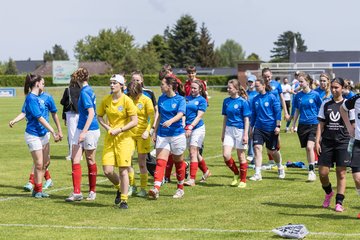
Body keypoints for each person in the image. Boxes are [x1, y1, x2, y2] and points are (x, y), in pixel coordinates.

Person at [9, 74, 60, 198]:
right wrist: (53, 131)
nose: (44, 84)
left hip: (43, 134)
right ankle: (38, 190)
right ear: (37, 83)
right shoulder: (31, 98)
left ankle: (38, 190)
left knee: (44, 163)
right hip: (33, 135)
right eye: (42, 82)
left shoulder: (37, 97)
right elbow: (39, 117)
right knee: (38, 164)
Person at [97, 74, 138, 209]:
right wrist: (108, 127)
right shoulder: (106, 100)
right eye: (111, 83)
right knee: (107, 170)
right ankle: (120, 188)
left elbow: (134, 121)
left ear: (121, 85)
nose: (112, 85)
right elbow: (99, 116)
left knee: (123, 171)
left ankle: (124, 200)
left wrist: (119, 130)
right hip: (110, 139)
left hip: (124, 140)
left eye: (115, 83)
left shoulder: (127, 101)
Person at [316, 77, 354, 212]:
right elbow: (320, 124)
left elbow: (353, 125)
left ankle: (339, 202)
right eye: (332, 87)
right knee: (323, 173)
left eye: (336, 87)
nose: (333, 90)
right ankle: (328, 193)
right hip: (327, 142)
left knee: (341, 172)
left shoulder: (349, 105)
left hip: (343, 142)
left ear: (342, 88)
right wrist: (317, 141)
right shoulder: (326, 104)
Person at [148, 76, 187, 199]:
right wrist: (155, 131)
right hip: (163, 135)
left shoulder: (180, 99)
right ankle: (156, 188)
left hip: (177, 134)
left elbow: (181, 114)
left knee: (178, 161)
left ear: (169, 86)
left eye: (162, 84)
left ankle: (180, 188)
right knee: (160, 161)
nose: (161, 86)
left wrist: (171, 121)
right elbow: (159, 116)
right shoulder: (161, 99)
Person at [65, 67, 100, 202]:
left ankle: (92, 191)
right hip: (82, 128)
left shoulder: (85, 92)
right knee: (75, 159)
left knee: (90, 159)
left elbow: (91, 113)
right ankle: (77, 192)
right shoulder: (87, 90)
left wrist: (84, 132)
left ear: (77, 78)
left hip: (89, 130)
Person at [249, 78, 285, 181]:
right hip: (259, 128)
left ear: (263, 85)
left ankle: (280, 167)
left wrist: (278, 126)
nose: (256, 88)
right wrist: (251, 129)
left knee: (272, 151)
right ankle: (257, 174)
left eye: (257, 86)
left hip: (271, 129)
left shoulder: (272, 97)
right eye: (255, 86)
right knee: (257, 148)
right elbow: (254, 115)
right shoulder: (255, 99)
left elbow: (278, 113)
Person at [291, 72, 322, 182]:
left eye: (301, 81)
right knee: (307, 149)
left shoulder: (315, 95)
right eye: (299, 81)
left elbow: (321, 109)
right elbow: (297, 111)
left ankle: (311, 171)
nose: (299, 83)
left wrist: (322, 123)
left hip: (314, 124)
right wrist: (294, 124)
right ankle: (311, 168)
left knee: (310, 147)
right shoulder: (298, 96)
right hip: (302, 126)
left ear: (308, 82)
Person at [127, 80, 154, 197]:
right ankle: (132, 186)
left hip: (143, 135)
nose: (134, 97)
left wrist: (148, 131)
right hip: (129, 134)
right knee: (127, 161)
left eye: (135, 94)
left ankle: (143, 188)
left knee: (142, 163)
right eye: (131, 94)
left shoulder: (146, 100)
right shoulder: (127, 99)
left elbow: (152, 117)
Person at [222, 79, 251, 187]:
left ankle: (243, 180)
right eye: (228, 87)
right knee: (226, 155)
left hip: (240, 130)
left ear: (237, 89)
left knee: (241, 156)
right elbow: (225, 117)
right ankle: (236, 173)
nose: (228, 89)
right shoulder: (226, 101)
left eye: (230, 88)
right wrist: (223, 132)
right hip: (229, 130)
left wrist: (245, 134)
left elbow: (246, 119)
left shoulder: (243, 102)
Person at [261, 68, 289, 165]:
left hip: (276, 114)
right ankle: (271, 160)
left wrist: (285, 112)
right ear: (262, 77)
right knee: (266, 135)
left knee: (276, 135)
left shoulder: (277, 85)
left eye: (268, 76)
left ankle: (276, 156)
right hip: (265, 114)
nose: (267, 78)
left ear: (271, 75)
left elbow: (282, 98)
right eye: (265, 77)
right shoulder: (261, 86)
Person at [184, 80, 209, 186]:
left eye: (195, 88)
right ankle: (206, 171)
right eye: (191, 88)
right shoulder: (186, 99)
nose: (192, 90)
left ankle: (192, 179)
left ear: (200, 89)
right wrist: (184, 125)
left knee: (193, 152)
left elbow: (199, 116)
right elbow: (183, 113)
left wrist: (191, 126)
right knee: (196, 153)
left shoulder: (202, 100)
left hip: (197, 128)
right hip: (187, 128)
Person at [340, 89, 360, 218]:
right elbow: (343, 109)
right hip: (358, 143)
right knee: (357, 178)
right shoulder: (356, 99)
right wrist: (348, 127)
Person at [60, 74, 81, 161]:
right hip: (81, 114)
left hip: (71, 114)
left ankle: (72, 154)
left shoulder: (68, 90)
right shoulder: (82, 89)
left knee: (72, 135)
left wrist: (64, 116)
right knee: (80, 134)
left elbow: (63, 102)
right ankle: (80, 153)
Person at [246, 74, 258, 163]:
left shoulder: (257, 93)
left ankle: (252, 155)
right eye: (249, 82)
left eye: (252, 82)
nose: (250, 83)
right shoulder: (245, 93)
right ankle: (251, 154)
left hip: (256, 118)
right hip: (246, 119)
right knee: (248, 136)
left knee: (253, 136)